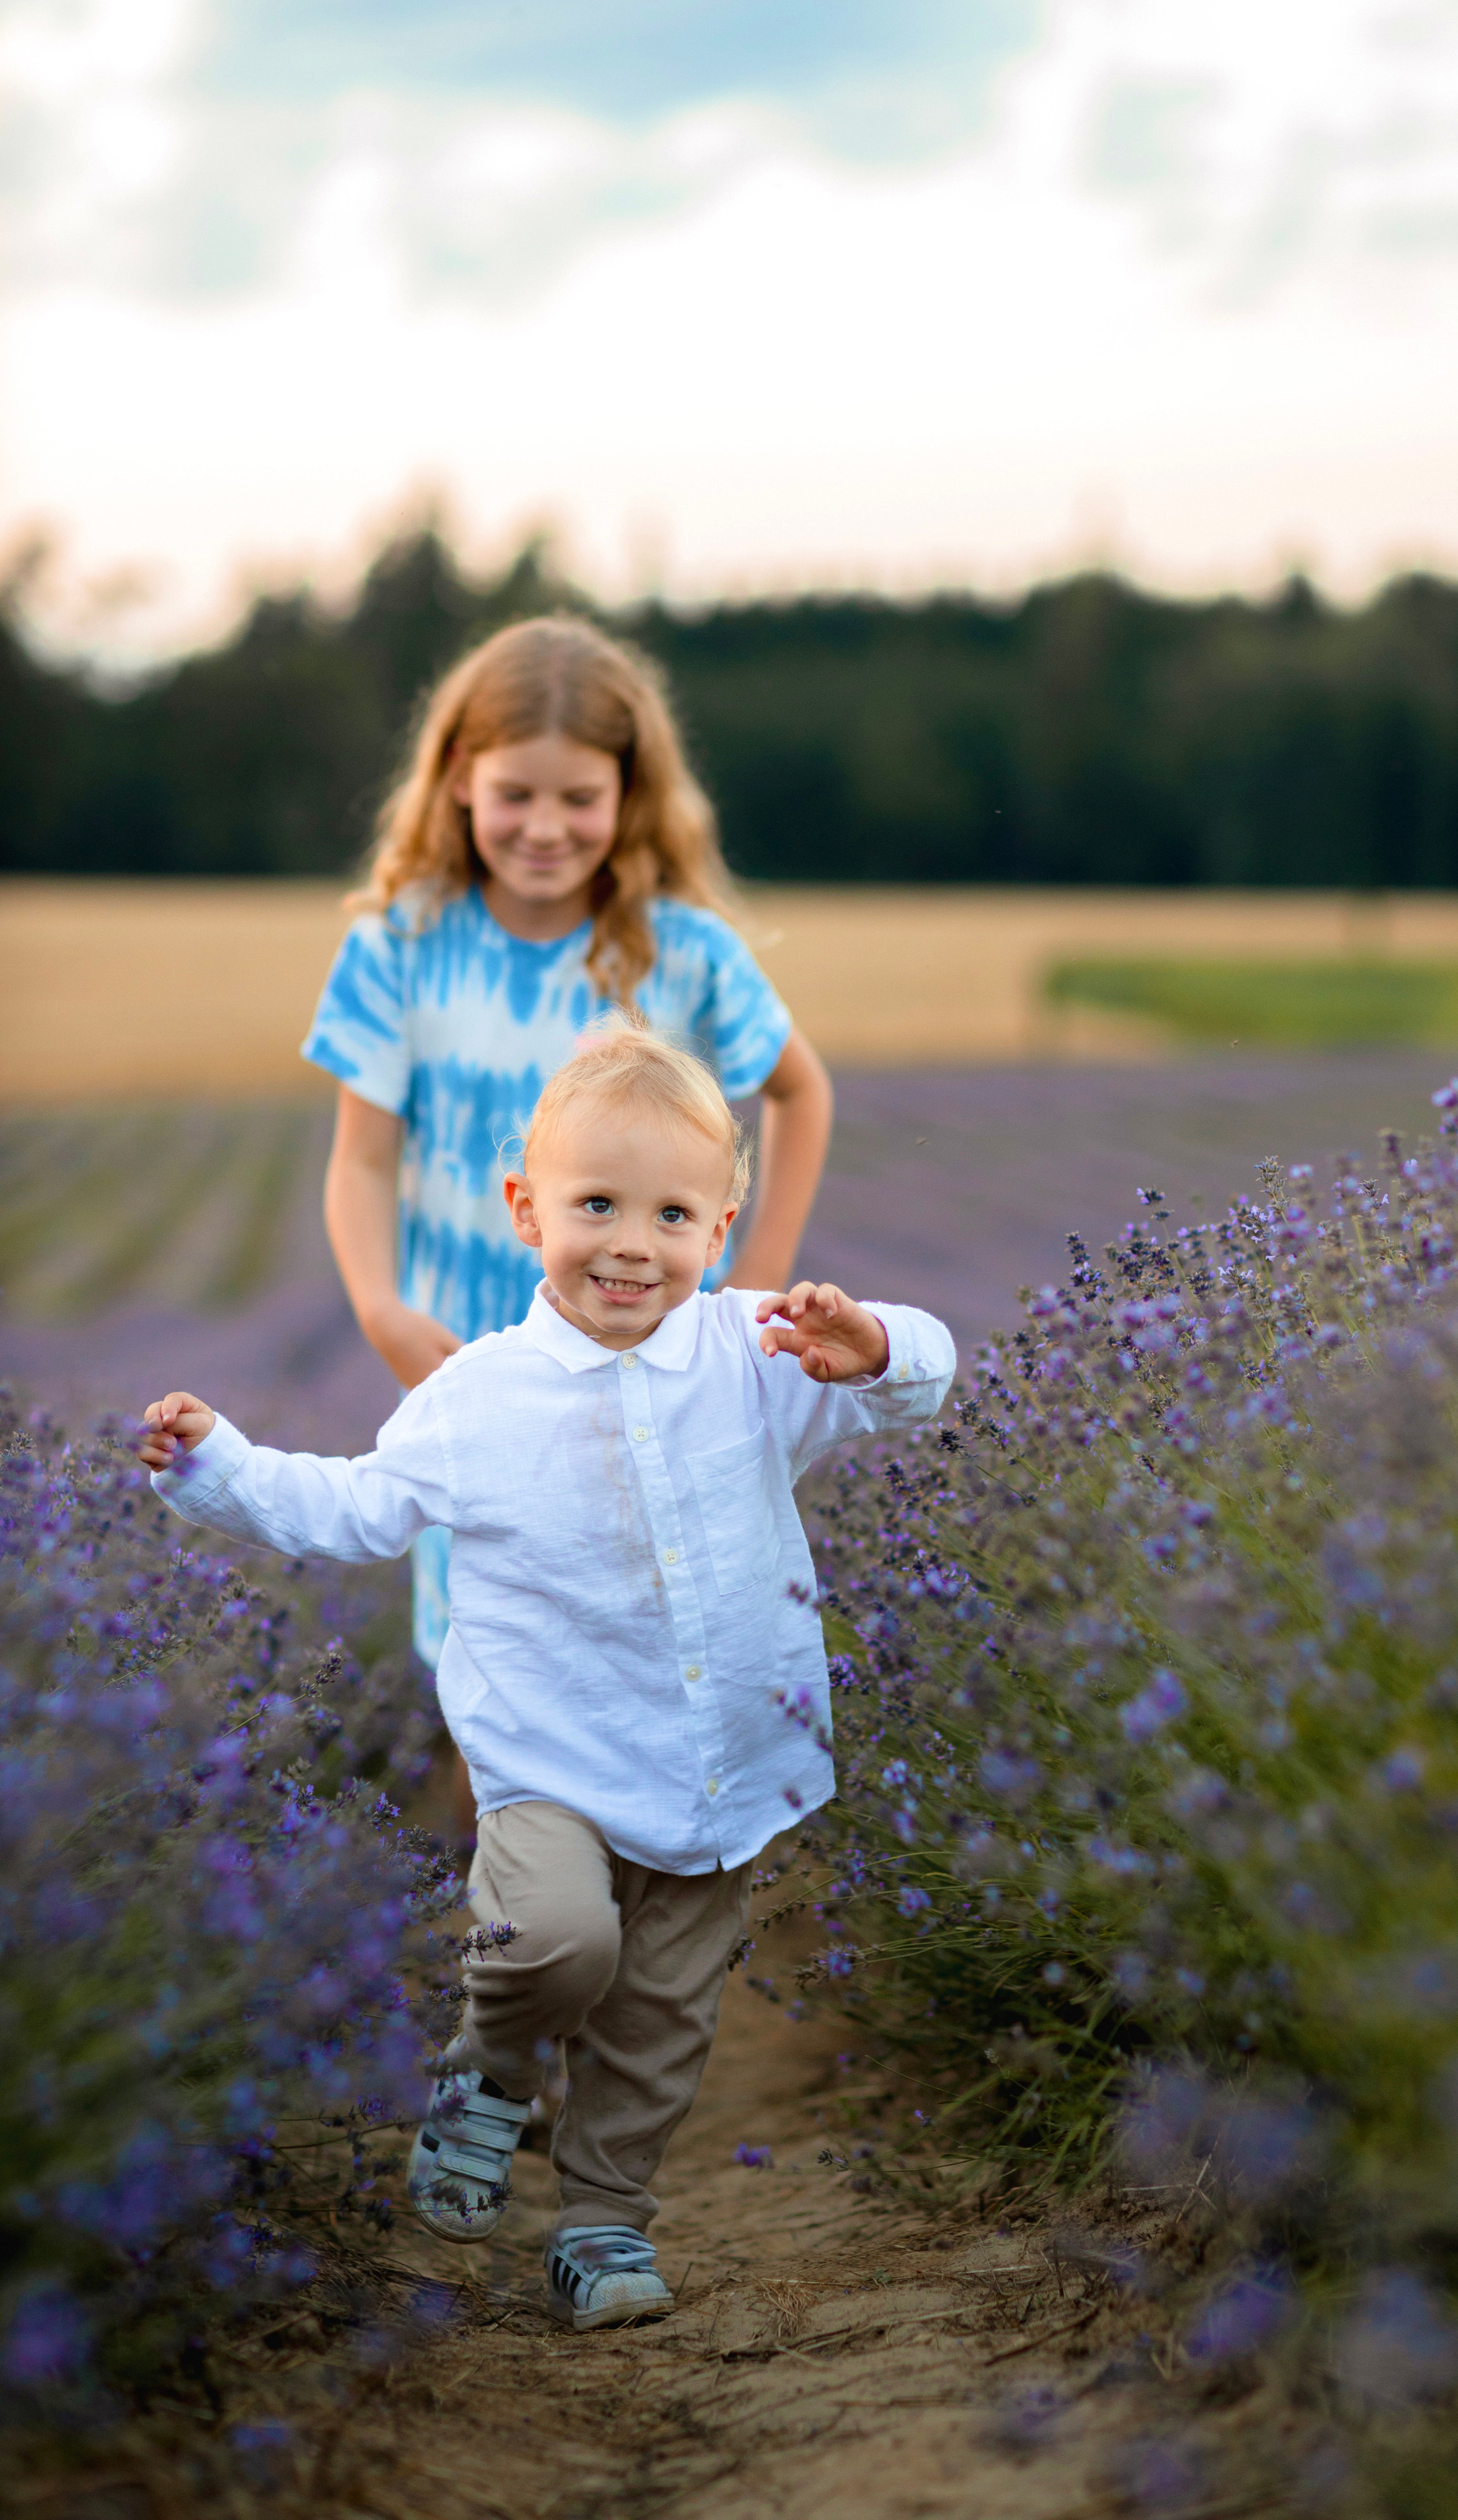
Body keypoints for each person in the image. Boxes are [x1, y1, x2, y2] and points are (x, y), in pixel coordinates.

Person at [138, 1028, 955, 2333]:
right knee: (556, 1944)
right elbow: (353, 1508)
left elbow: (921, 1376)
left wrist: (876, 1350)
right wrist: (214, 1464)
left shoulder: (757, 1351)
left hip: (717, 1772)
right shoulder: (481, 1398)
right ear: (525, 1213)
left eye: (672, 1214)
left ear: (722, 1225)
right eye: (595, 1207)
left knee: (657, 2028)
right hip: (551, 1772)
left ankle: (600, 2229)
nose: (633, 1244)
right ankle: (490, 2070)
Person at [303, 613, 832, 1750]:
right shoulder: (400, 944)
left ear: (628, 795)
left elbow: (800, 1092)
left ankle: (675, 1893)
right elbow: (360, 1154)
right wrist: (381, 1309)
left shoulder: (680, 951)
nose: (546, 828)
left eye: (579, 799)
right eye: (516, 795)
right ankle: (506, 1902)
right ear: (458, 778)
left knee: (660, 1627)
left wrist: (764, 1282)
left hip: (660, 1363)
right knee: (483, 1647)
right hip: (471, 1360)